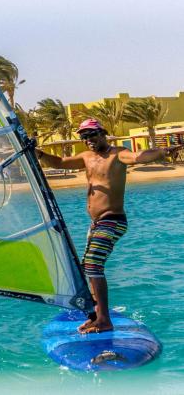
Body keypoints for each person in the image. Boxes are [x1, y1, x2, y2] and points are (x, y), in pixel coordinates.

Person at [36, 118, 183, 334]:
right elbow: (58, 162)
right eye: (84, 136)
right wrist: (39, 154)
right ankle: (96, 316)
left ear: (103, 133)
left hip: (112, 220)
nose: (89, 140)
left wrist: (162, 152)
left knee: (93, 264)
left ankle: (104, 320)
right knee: (87, 267)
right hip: (96, 223)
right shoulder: (86, 157)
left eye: (92, 135)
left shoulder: (117, 154)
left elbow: (138, 157)